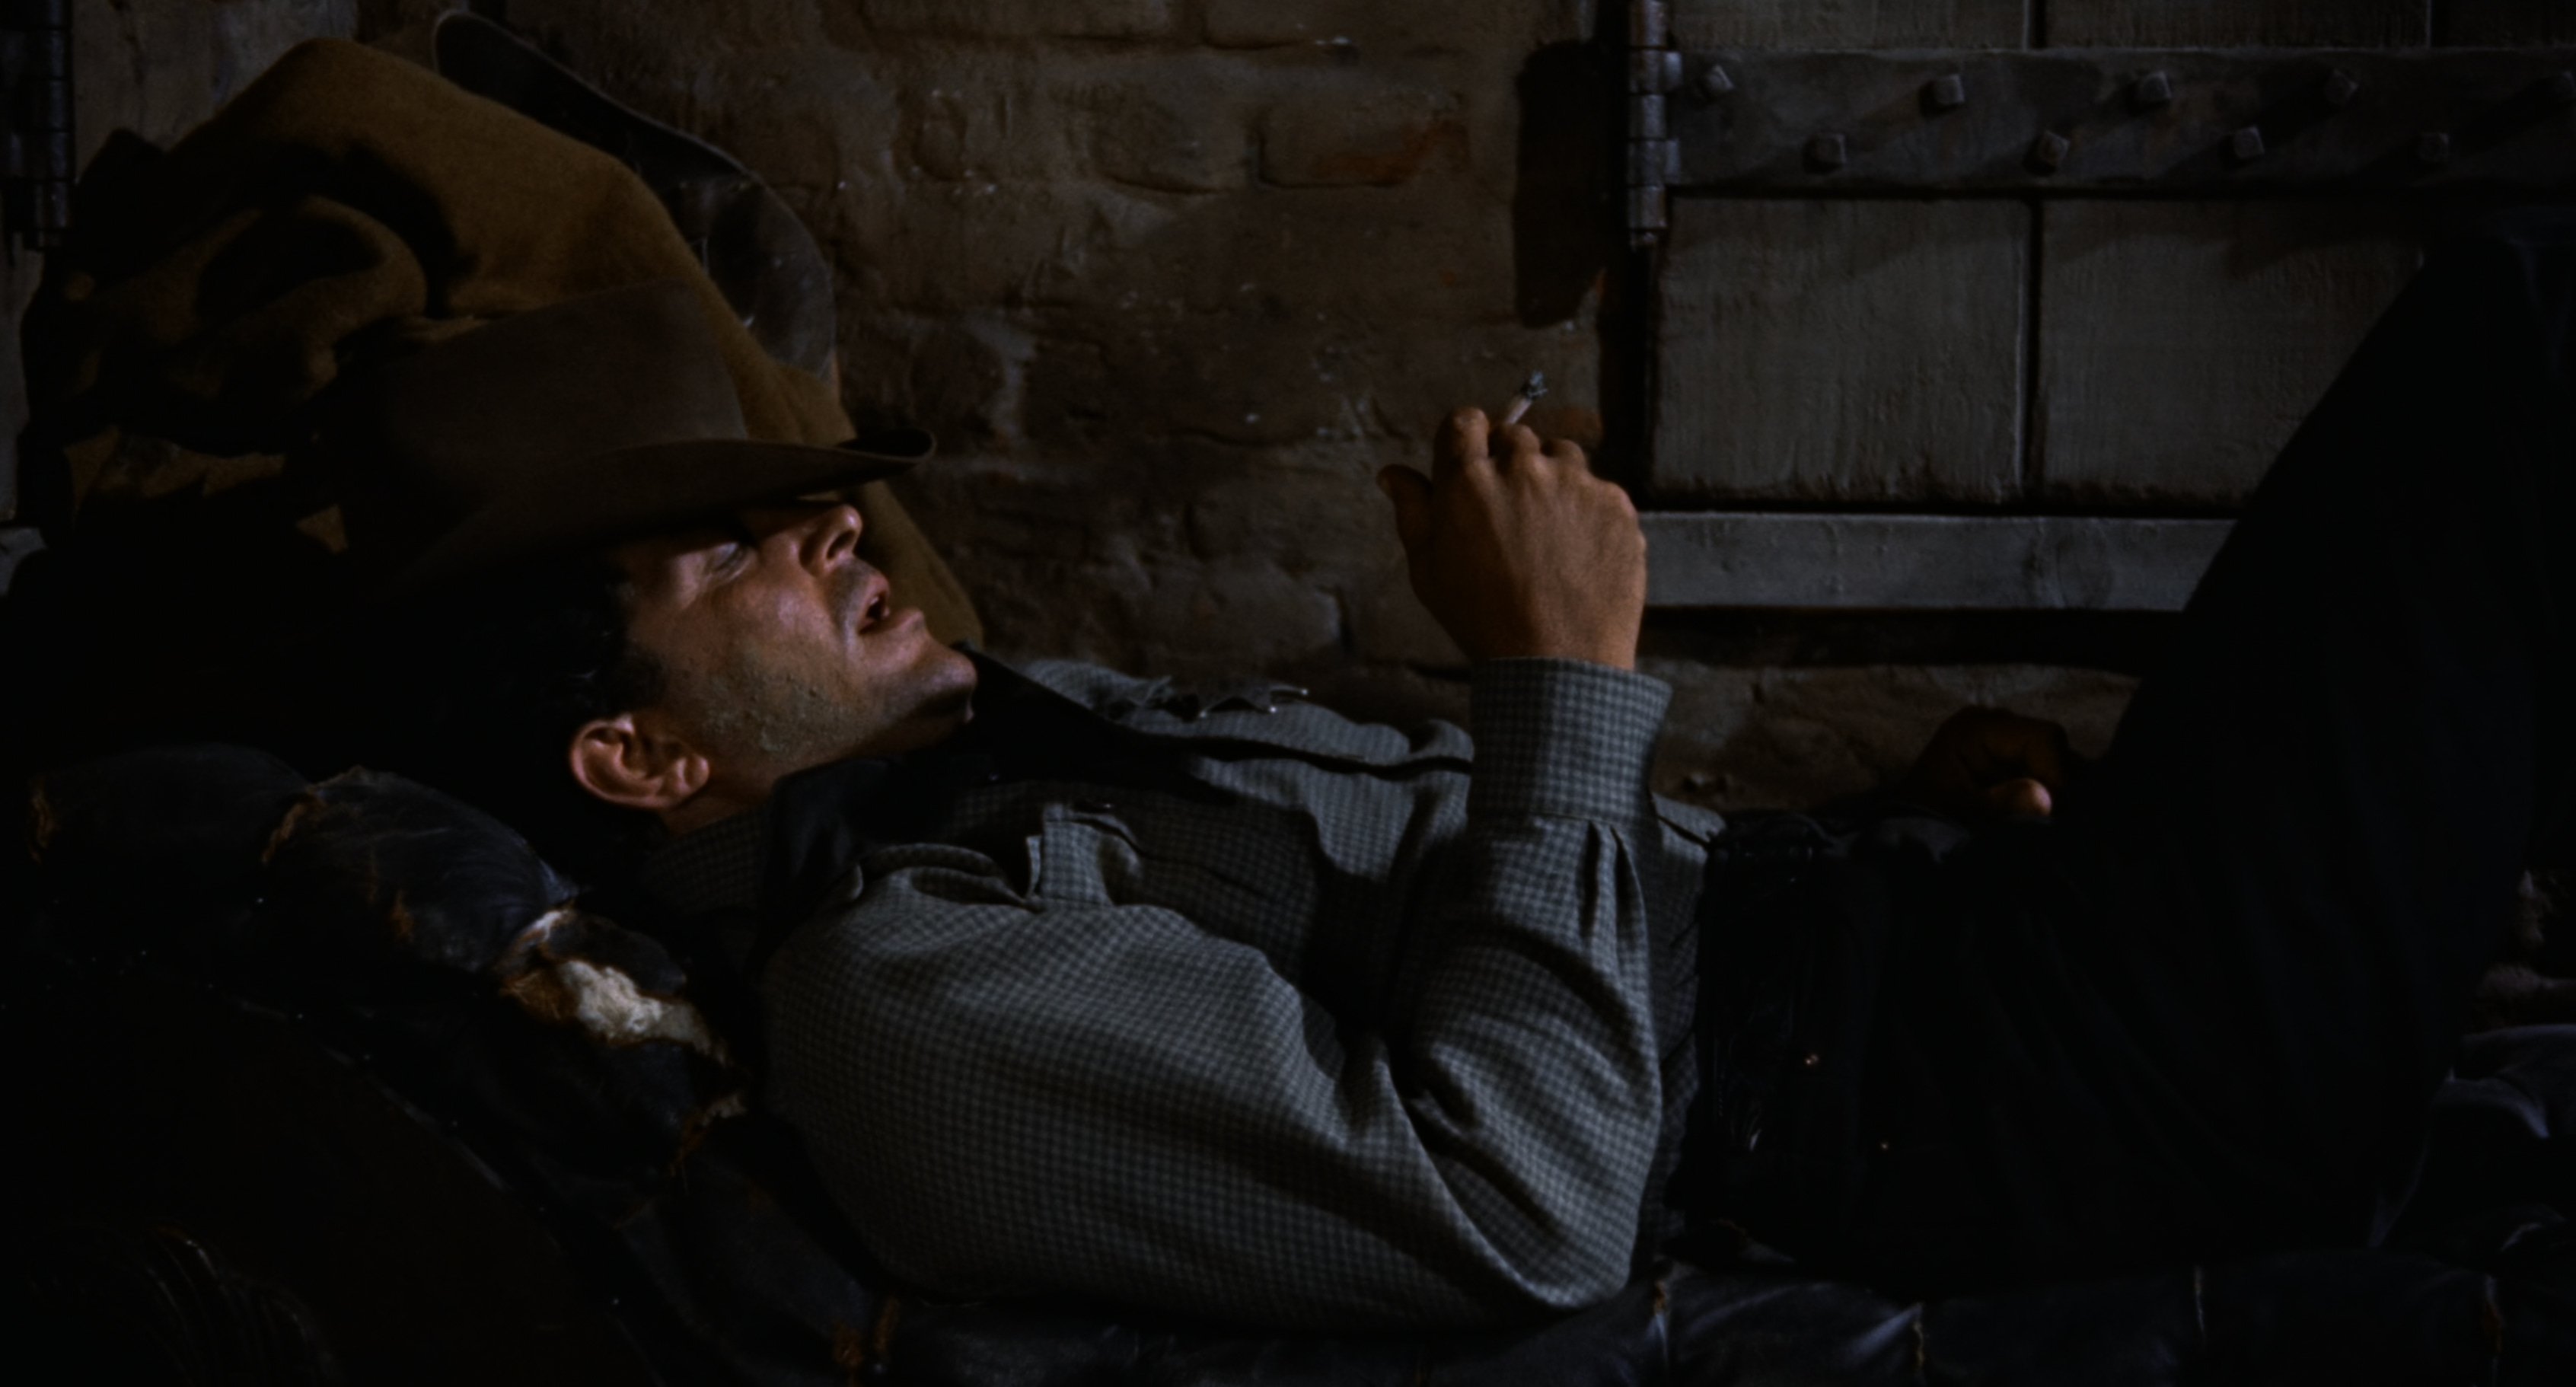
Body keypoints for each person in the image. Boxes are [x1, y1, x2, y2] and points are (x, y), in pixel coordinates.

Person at [354, 212, 2572, 1331]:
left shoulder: (1015, 744)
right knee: (2517, 340)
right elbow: (1533, 1205)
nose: (837, 527)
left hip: (1977, 955)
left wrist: (1875, 828)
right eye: (730, 552)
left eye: (798, 499)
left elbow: (1540, 919)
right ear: (635, 753)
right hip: (2042, 1118)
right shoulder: (899, 993)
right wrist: (1555, 671)